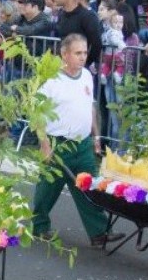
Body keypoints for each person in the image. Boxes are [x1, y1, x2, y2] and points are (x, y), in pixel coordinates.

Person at [31, 33, 125, 248]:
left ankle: (99, 232)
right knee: (48, 189)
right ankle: (39, 225)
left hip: (82, 144)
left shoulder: (86, 76)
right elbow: (37, 113)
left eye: (85, 52)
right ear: (64, 54)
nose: (83, 57)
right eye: (78, 53)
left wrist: (96, 136)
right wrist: (44, 145)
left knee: (88, 188)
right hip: (58, 143)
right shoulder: (51, 80)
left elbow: (90, 107)